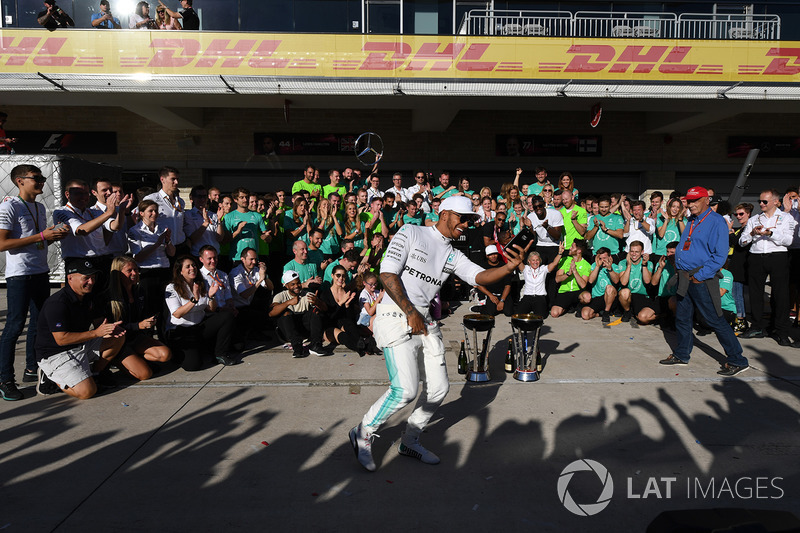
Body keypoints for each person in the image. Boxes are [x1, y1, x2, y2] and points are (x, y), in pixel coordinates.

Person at [348, 195, 532, 472]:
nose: (467, 225)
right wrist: (410, 311)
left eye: (471, 220)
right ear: (445, 214)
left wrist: (508, 267)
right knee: (405, 391)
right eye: (463, 218)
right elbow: (387, 275)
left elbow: (480, 276)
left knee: (438, 389)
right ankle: (363, 430)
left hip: (423, 320)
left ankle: (409, 440)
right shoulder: (412, 232)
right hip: (395, 314)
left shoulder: (453, 253)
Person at [659, 186, 750, 376]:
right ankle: (682, 354)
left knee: (714, 319)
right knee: (683, 318)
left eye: (694, 201)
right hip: (684, 277)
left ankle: (737, 359)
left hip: (700, 278)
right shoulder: (692, 220)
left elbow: (720, 256)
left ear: (706, 201)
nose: (690, 204)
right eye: (689, 201)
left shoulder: (716, 222)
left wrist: (700, 276)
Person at [0, 165, 69, 401]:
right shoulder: (9, 206)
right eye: (36, 178)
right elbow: (2, 244)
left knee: (40, 323)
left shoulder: (39, 207)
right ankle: (5, 379)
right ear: (20, 181)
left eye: (42, 178)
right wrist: (42, 236)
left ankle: (32, 368)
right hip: (19, 274)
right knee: (15, 325)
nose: (41, 182)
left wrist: (53, 237)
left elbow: (37, 243)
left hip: (40, 271)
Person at [35, 259, 125, 400]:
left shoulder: (88, 297)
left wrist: (110, 329)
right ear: (70, 278)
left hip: (79, 346)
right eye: (86, 278)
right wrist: (96, 333)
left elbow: (98, 322)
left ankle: (95, 374)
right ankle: (49, 378)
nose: (91, 282)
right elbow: (61, 339)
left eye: (93, 278)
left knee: (117, 338)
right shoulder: (57, 303)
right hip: (56, 354)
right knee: (87, 392)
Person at [738, 189, 799, 346]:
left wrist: (770, 233)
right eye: (760, 201)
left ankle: (780, 330)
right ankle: (758, 326)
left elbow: (788, 241)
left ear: (775, 202)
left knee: (781, 295)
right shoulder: (755, 219)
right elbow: (742, 241)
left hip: (777, 257)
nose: (761, 204)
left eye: (765, 201)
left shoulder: (786, 218)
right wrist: (752, 233)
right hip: (756, 256)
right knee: (755, 293)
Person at [102, 256, 172, 381]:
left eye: (136, 269)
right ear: (118, 274)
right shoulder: (109, 298)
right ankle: (115, 360)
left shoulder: (139, 291)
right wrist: (138, 325)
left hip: (135, 338)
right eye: (129, 271)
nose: (134, 273)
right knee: (145, 374)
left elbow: (142, 315)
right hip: (119, 342)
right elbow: (110, 328)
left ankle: (135, 358)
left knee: (165, 354)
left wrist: (150, 320)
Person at [164, 256, 237, 370]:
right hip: (182, 330)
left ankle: (220, 354)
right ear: (180, 271)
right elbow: (177, 313)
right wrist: (194, 299)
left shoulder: (200, 284)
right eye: (187, 266)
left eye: (193, 265)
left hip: (199, 326)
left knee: (226, 316)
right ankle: (179, 352)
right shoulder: (172, 288)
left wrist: (211, 297)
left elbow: (210, 309)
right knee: (193, 366)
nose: (192, 268)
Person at [128, 199, 175, 318]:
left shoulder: (162, 228)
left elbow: (172, 253)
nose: (154, 213)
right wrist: (157, 244)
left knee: (165, 307)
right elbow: (138, 257)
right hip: (147, 272)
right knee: (148, 308)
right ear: (141, 213)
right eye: (150, 211)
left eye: (156, 211)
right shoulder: (135, 231)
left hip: (164, 270)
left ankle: (164, 334)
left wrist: (168, 241)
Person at [269, 271, 333, 358]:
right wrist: (288, 303)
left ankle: (316, 345)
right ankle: (297, 347)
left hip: (303, 330)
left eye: (298, 283)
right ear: (286, 286)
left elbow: (325, 309)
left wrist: (317, 302)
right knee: (286, 313)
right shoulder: (280, 296)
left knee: (316, 311)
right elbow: (271, 313)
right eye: (293, 284)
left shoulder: (307, 294)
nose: (296, 286)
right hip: (287, 333)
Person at [320, 265, 379, 356]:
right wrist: (340, 303)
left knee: (348, 323)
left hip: (345, 324)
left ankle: (363, 346)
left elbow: (351, 317)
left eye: (343, 276)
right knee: (344, 336)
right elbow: (328, 318)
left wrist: (347, 305)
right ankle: (364, 348)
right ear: (332, 276)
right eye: (338, 275)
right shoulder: (326, 294)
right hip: (330, 327)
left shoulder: (347, 292)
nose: (341, 278)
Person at [144, 167, 187, 255]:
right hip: (162, 249)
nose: (176, 182)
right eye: (173, 179)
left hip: (181, 247)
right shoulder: (151, 199)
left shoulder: (180, 201)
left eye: (177, 179)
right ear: (162, 179)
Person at [223, 187, 272, 263]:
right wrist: (238, 231)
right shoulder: (229, 217)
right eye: (242, 197)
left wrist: (266, 237)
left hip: (254, 258)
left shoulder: (257, 216)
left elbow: (266, 237)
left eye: (247, 197)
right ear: (235, 199)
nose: (245, 200)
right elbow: (225, 240)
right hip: (236, 258)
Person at [616, 241, 657, 324]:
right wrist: (629, 265)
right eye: (632, 251)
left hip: (642, 295)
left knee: (642, 319)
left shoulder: (649, 263)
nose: (634, 254)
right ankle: (627, 311)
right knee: (624, 292)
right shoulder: (622, 262)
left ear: (642, 252)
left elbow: (647, 281)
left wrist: (644, 265)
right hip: (629, 295)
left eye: (637, 252)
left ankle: (661, 316)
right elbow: (623, 283)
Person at [516, 248, 562, 317]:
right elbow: (518, 261)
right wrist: (522, 252)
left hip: (539, 297)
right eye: (533, 260)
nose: (535, 262)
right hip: (527, 297)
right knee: (518, 315)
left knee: (542, 316)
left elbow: (554, 263)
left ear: (540, 261)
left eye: (537, 260)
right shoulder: (525, 268)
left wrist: (560, 253)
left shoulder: (543, 269)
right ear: (529, 261)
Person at [578, 246, 620, 323]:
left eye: (604, 258)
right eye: (600, 258)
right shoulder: (594, 265)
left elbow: (616, 281)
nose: (602, 260)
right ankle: (598, 314)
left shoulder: (614, 266)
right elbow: (590, 281)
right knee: (585, 315)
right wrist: (597, 266)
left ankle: (606, 312)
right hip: (597, 297)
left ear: (610, 257)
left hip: (610, 298)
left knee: (609, 288)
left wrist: (609, 268)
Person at [550, 240, 590, 318]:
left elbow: (583, 285)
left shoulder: (586, 265)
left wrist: (575, 271)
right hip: (564, 291)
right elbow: (557, 279)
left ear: (579, 251)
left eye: (572, 247)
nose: (570, 248)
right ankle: (567, 307)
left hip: (577, 292)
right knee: (554, 313)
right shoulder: (565, 260)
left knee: (587, 297)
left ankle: (578, 306)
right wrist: (568, 274)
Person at [185, 185, 224, 257]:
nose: (202, 199)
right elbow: (192, 239)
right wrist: (206, 223)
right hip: (198, 255)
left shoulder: (213, 215)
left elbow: (219, 238)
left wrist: (219, 220)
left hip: (215, 255)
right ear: (192, 198)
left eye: (204, 196)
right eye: (199, 196)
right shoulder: (188, 215)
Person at [475, 245, 514, 316]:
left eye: (495, 254)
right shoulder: (482, 267)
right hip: (491, 295)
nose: (493, 256)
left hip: (503, 295)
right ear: (487, 256)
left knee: (509, 313)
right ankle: (481, 307)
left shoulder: (504, 266)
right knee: (491, 313)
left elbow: (508, 285)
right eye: (490, 255)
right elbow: (478, 284)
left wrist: (502, 300)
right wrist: (490, 295)